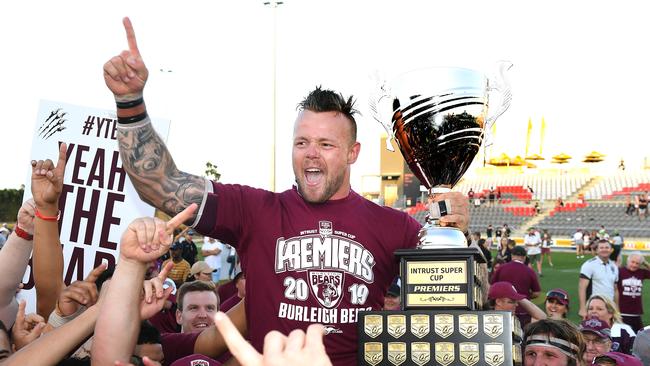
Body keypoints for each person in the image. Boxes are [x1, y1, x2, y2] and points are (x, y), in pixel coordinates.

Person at [104, 17, 470, 366]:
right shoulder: (254, 210)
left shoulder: (394, 227)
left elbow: (457, 308)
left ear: (352, 153)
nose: (311, 153)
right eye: (302, 142)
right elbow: (161, 184)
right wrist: (130, 101)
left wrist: (457, 231)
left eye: (326, 144)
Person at [491, 245, 541, 327]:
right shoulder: (529, 271)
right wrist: (524, 297)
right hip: (523, 311)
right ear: (524, 257)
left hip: (503, 309)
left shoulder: (501, 268)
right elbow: (536, 293)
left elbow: (492, 287)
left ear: (512, 256)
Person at [579, 239, 619, 318]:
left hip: (609, 307)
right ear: (597, 250)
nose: (604, 249)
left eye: (607, 247)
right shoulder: (589, 265)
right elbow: (582, 287)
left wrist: (617, 308)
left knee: (609, 329)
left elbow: (615, 289)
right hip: (594, 307)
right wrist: (582, 308)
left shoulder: (614, 266)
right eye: (601, 248)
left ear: (611, 250)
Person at [617, 252, 650, 333]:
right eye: (632, 262)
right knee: (623, 336)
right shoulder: (620, 271)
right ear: (628, 261)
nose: (634, 265)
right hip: (622, 312)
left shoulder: (641, 272)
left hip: (636, 312)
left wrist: (645, 263)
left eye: (637, 263)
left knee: (639, 336)